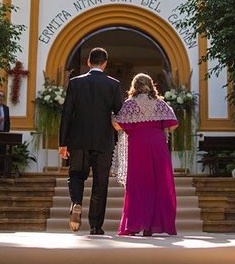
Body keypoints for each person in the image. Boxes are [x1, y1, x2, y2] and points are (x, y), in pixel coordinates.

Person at [59, 47, 123, 235]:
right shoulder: (113, 85)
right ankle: (96, 226)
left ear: (88, 62)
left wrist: (63, 142)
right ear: (105, 64)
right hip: (103, 141)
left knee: (77, 175)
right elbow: (119, 114)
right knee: (100, 182)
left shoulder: (75, 83)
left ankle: (77, 201)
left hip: (78, 140)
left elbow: (67, 114)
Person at [113, 73, 178, 236]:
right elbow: (173, 125)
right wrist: (158, 127)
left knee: (138, 185)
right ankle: (150, 227)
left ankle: (134, 225)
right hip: (157, 144)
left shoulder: (129, 104)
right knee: (158, 183)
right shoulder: (160, 103)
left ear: (134, 86)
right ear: (151, 85)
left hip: (138, 145)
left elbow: (118, 126)